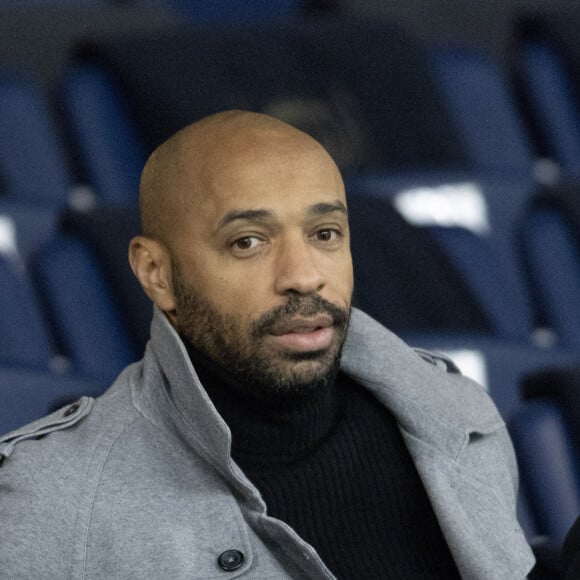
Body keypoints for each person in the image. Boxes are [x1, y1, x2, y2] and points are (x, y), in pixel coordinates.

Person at [0, 111, 534, 579]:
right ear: (156, 273)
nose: (303, 276)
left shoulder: (459, 417)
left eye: (325, 234)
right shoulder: (51, 497)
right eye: (248, 242)